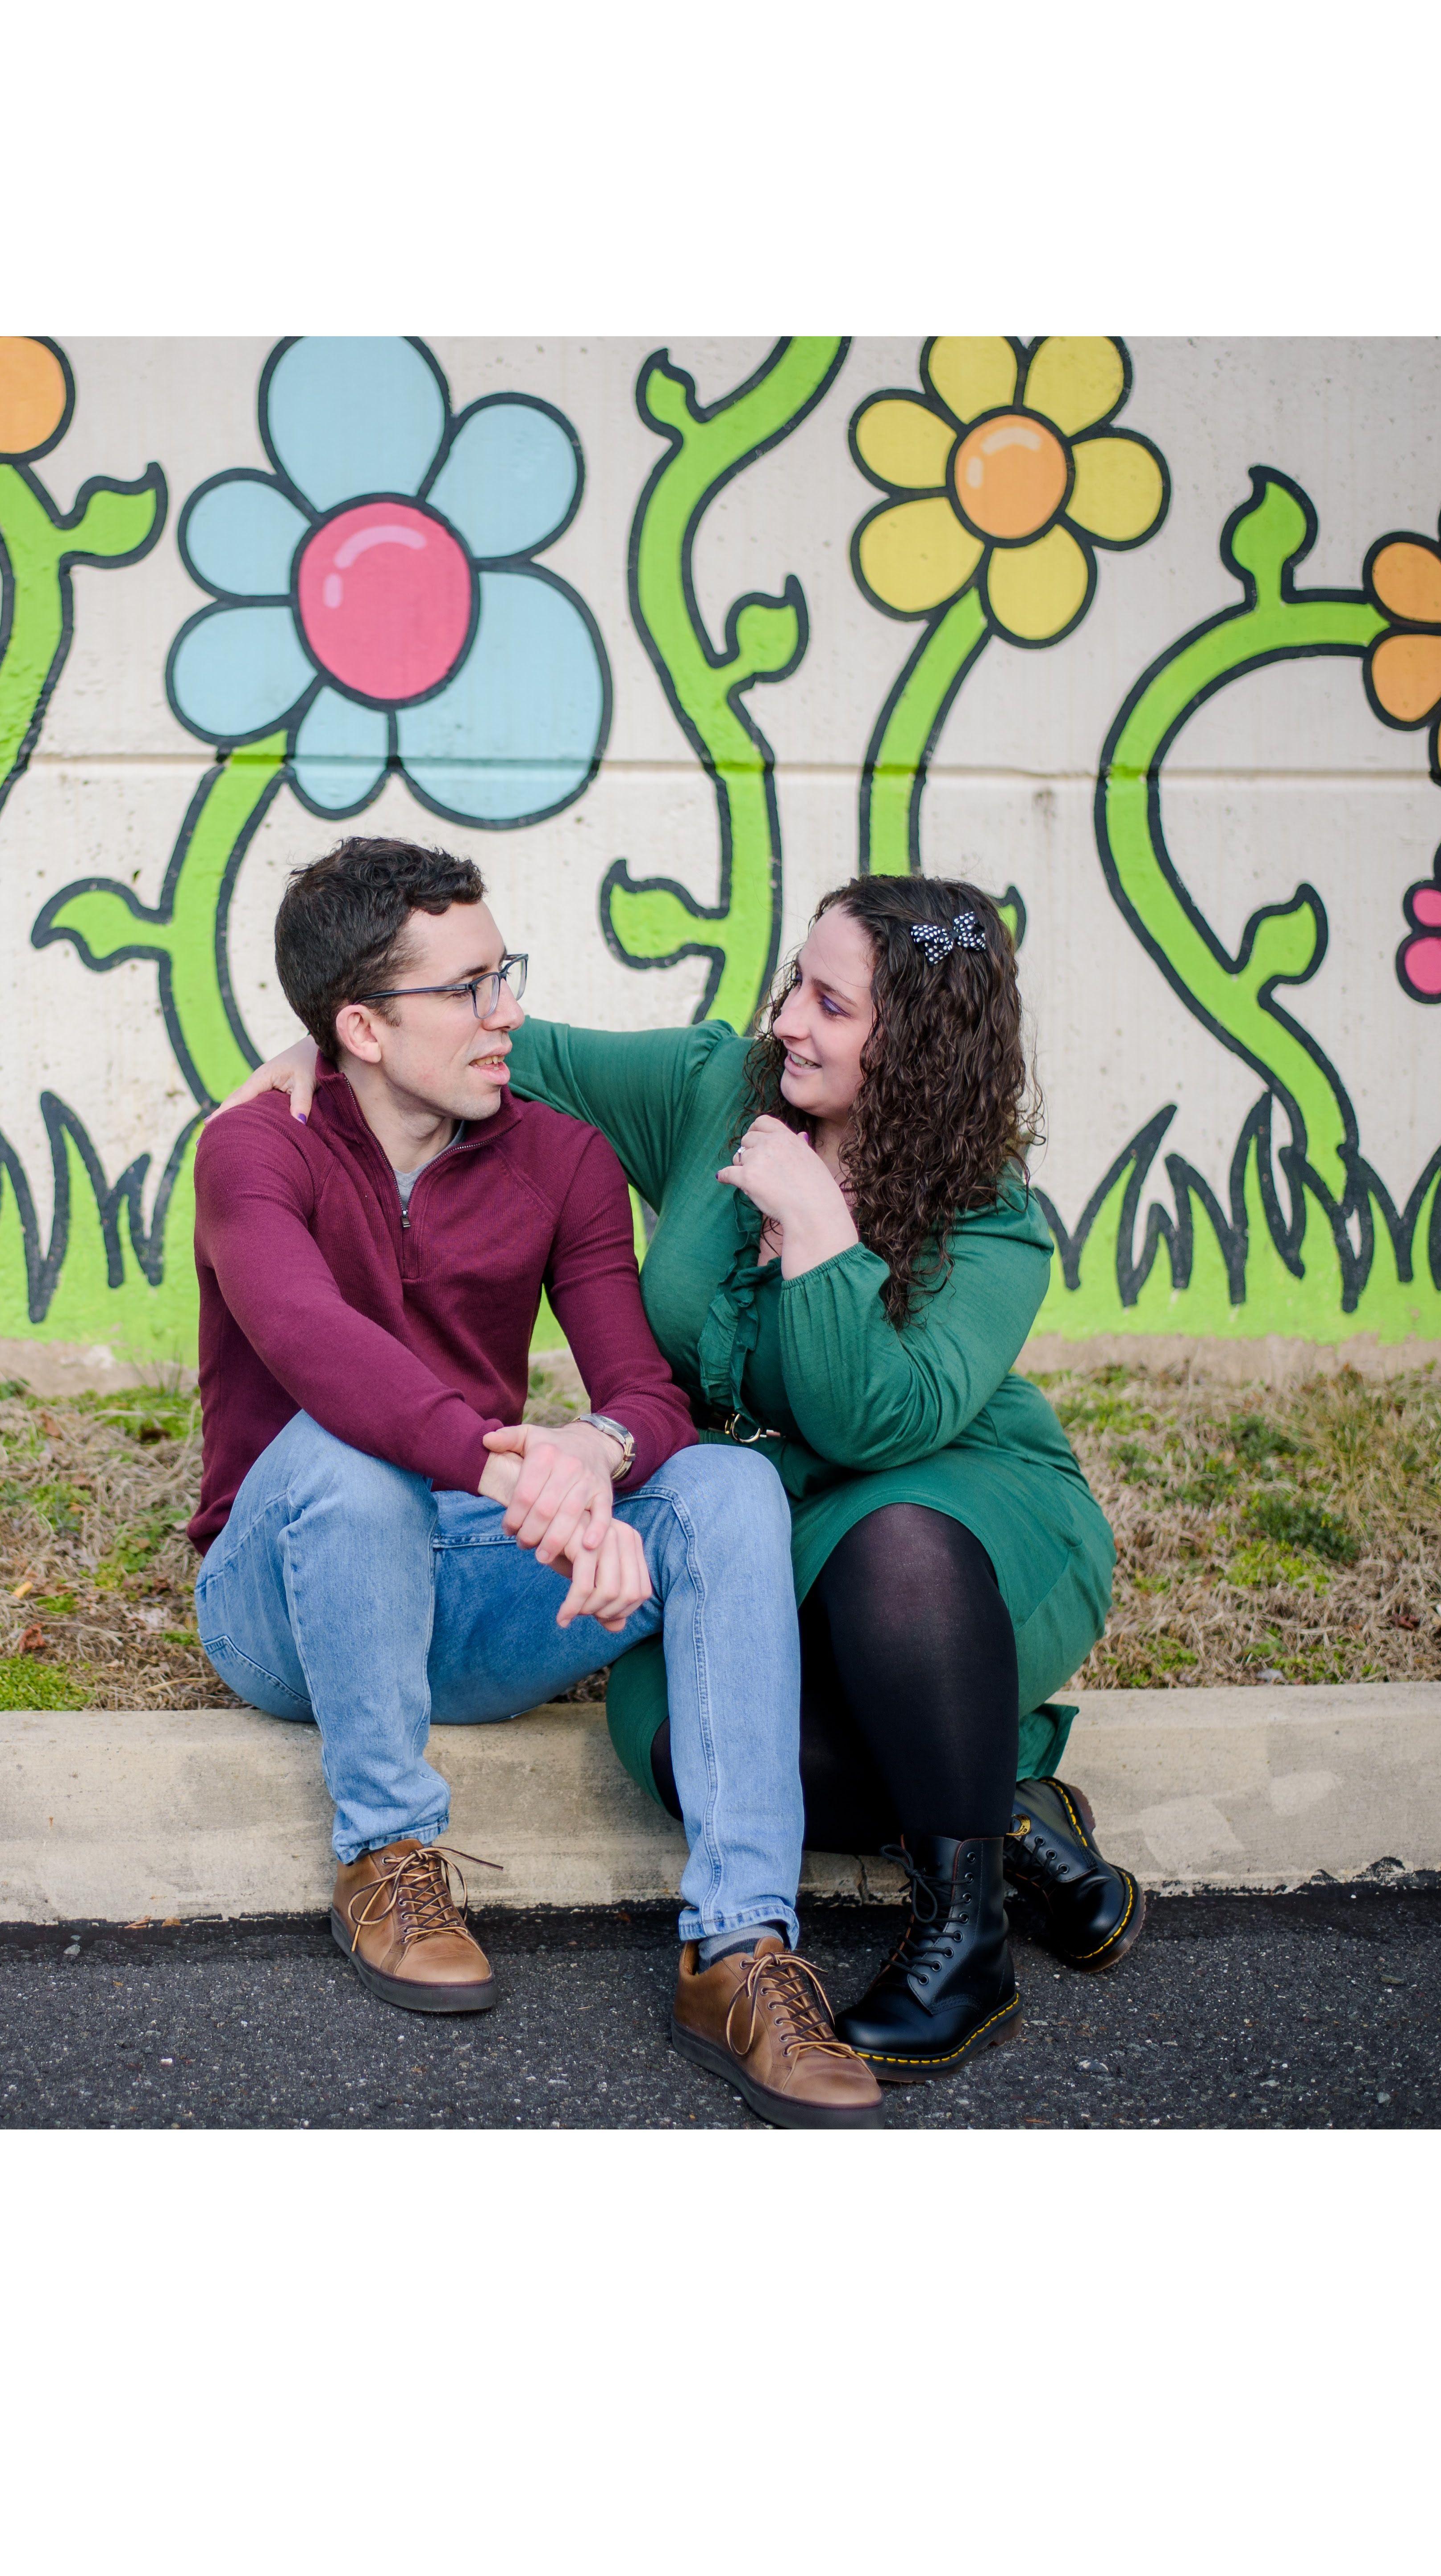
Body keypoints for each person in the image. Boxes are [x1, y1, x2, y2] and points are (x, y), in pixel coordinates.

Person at [227, 873, 1140, 2082]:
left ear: (918, 1044)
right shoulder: (720, 1090)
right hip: (765, 1515)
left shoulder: (993, 1219)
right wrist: (341, 1042)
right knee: (669, 1735)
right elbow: (504, 1044)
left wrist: (819, 1234)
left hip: (943, 1527)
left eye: (830, 1006)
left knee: (886, 1548)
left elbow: (878, 1426)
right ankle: (999, 1798)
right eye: (797, 985)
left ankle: (949, 1945)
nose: (788, 1020)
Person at [189, 835, 882, 2126]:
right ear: (363, 1028)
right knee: (351, 1447)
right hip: (288, 1609)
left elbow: (644, 1392)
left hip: (475, 1592)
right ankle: (387, 1855)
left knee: (728, 1488)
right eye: (468, 989)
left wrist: (593, 1459)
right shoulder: (254, 1150)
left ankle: (739, 1951)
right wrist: (512, 1467)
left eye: (505, 974)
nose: (507, 1012)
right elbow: (316, 1346)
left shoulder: (560, 1159)